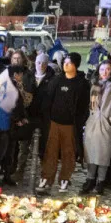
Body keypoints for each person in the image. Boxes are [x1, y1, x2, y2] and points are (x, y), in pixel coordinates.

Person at [38, 54, 91, 194]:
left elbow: (83, 106)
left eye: (69, 63)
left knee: (69, 153)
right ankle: (46, 178)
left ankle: (65, 179)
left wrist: (79, 122)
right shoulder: (56, 80)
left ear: (76, 65)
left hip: (71, 125)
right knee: (50, 152)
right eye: (65, 62)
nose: (66, 65)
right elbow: (48, 100)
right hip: (54, 123)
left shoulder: (82, 84)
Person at [81, 61, 111, 194]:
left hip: (106, 124)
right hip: (93, 123)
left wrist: (110, 121)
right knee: (90, 152)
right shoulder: (95, 86)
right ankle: (90, 179)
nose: (105, 72)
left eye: (107, 69)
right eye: (102, 69)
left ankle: (101, 181)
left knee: (103, 154)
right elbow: (92, 105)